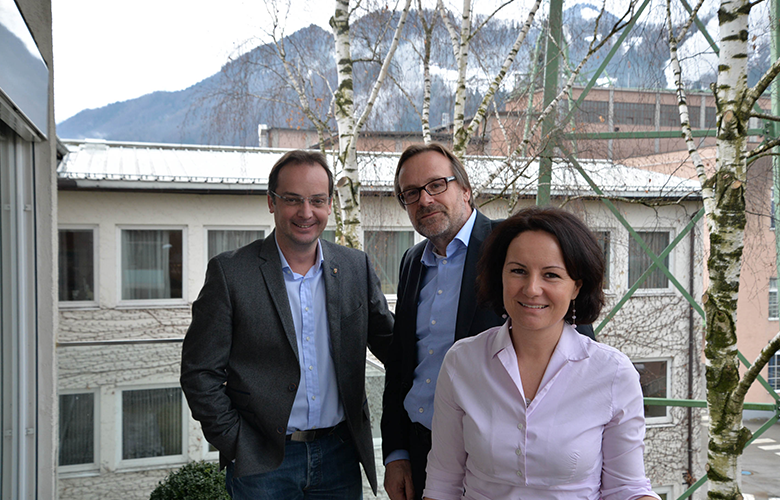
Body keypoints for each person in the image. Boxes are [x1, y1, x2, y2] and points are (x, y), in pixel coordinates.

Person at [381, 143, 595, 500]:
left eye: (436, 185)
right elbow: (401, 362)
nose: (425, 200)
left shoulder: (511, 247)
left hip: (496, 457)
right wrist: (396, 452)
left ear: (465, 190)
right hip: (420, 450)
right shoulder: (412, 262)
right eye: (411, 193)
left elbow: (577, 348)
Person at [180, 150, 394, 500]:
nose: (306, 212)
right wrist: (237, 441)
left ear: (330, 205)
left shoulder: (355, 267)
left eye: (317, 200)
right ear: (271, 202)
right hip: (263, 462)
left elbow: (392, 344)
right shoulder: (231, 273)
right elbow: (199, 372)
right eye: (293, 199)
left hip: (339, 455)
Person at [422, 206, 659, 500]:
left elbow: (627, 489)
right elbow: (443, 483)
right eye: (518, 271)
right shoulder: (462, 361)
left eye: (551, 275)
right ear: (500, 275)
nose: (532, 289)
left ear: (576, 287)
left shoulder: (613, 372)